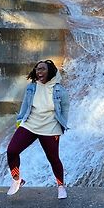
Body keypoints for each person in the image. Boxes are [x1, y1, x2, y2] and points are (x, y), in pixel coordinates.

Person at [7, 59, 70, 199]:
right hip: (29, 124)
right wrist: (19, 121)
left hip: (50, 128)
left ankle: (60, 186)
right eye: (37, 69)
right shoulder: (31, 87)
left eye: (42, 69)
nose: (39, 71)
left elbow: (65, 108)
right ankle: (17, 179)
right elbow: (25, 104)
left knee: (53, 158)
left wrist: (62, 125)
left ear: (50, 71)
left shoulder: (59, 90)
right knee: (12, 150)